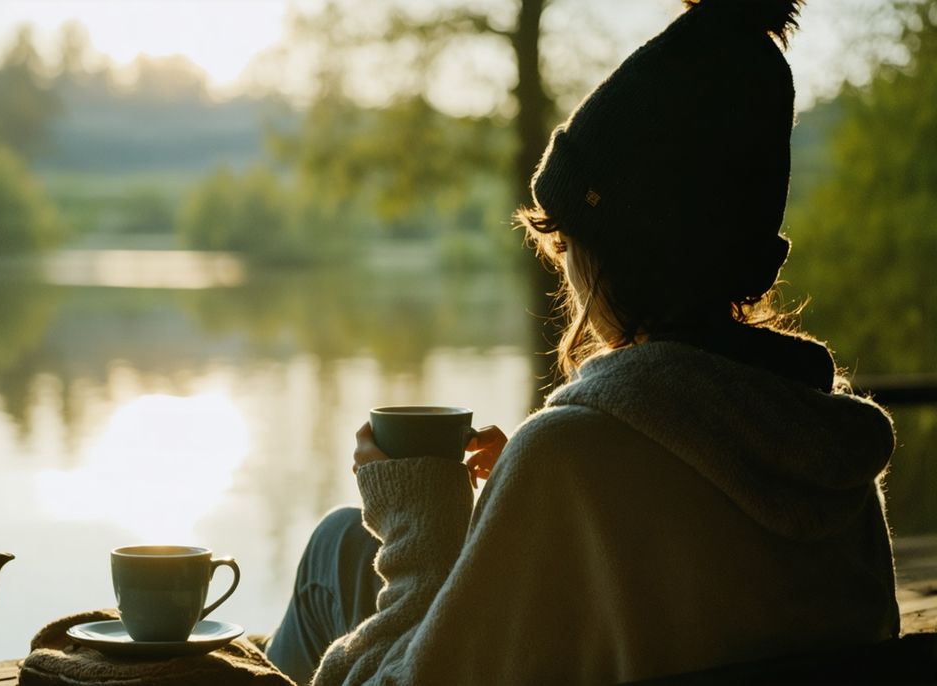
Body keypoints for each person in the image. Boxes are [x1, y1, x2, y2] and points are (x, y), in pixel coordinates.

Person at [265, 0, 901, 683]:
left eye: (565, 243)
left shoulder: (568, 460)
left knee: (331, 555)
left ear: (612, 252)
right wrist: (523, 502)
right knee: (344, 540)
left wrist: (420, 532)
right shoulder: (833, 461)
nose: (562, 266)